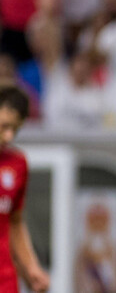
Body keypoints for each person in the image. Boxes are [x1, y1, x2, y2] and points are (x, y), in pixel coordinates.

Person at [0, 86, 50, 292]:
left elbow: (15, 222)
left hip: (5, 280)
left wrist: (31, 267)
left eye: (15, 129)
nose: (9, 137)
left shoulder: (18, 164)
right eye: (4, 126)